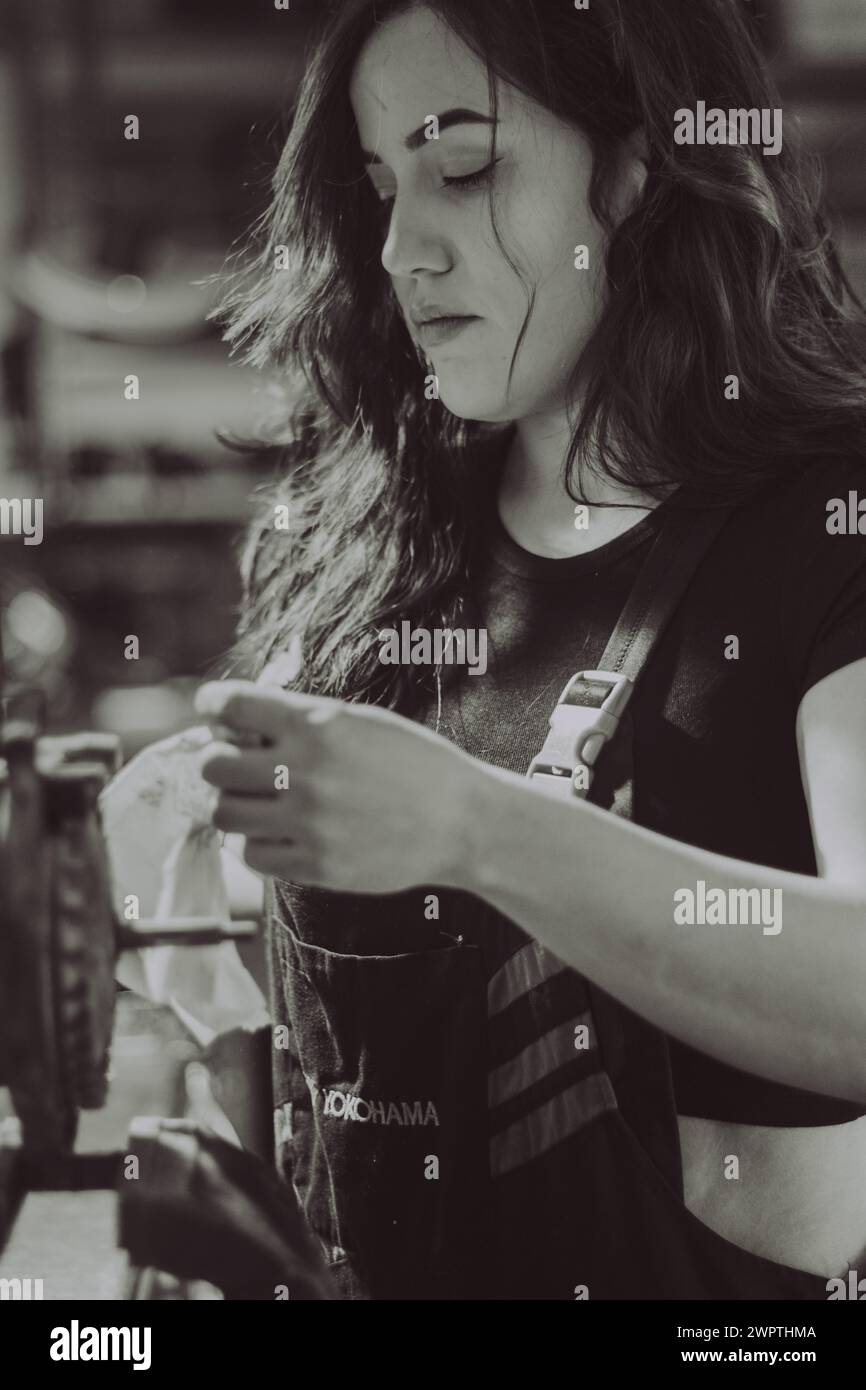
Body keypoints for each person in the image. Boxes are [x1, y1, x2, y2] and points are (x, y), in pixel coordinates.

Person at [196, 0, 866, 1300]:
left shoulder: (824, 528)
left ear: (636, 170)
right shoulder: (367, 539)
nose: (400, 247)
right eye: (382, 187)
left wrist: (476, 828)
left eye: (463, 168)